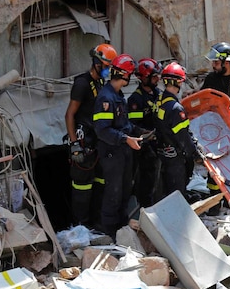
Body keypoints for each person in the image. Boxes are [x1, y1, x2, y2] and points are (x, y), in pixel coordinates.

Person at [93, 54, 145, 236]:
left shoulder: (118, 95)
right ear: (124, 75)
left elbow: (123, 123)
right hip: (112, 152)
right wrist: (125, 139)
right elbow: (102, 130)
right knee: (113, 192)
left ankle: (122, 229)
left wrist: (138, 132)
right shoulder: (105, 99)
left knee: (124, 190)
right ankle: (109, 232)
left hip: (122, 151)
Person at [66, 43, 117, 227]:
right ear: (96, 62)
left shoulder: (100, 83)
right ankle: (80, 226)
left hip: (96, 142)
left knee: (99, 184)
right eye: (105, 66)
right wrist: (74, 144)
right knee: (82, 187)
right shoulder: (82, 83)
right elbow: (70, 114)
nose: (107, 70)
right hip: (83, 142)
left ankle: (95, 224)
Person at [201, 42, 230, 196]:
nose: (213, 65)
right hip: (215, 132)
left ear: (227, 62)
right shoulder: (211, 79)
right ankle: (214, 199)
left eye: (216, 62)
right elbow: (203, 100)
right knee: (215, 167)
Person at [154, 62, 199, 199]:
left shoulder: (160, 100)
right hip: (176, 157)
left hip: (164, 152)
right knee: (176, 192)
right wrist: (196, 154)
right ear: (177, 83)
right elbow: (183, 136)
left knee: (166, 189)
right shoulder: (176, 109)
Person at [128, 58, 162, 208]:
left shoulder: (157, 94)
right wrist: (147, 135)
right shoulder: (136, 100)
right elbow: (134, 126)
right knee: (146, 180)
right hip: (145, 148)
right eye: (154, 77)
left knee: (158, 179)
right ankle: (145, 208)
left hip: (158, 144)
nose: (157, 79)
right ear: (144, 78)